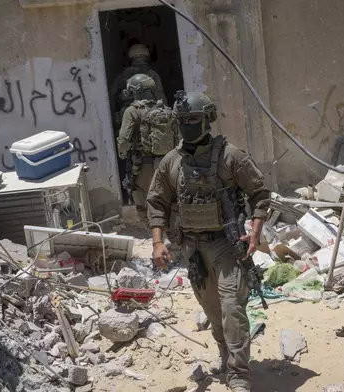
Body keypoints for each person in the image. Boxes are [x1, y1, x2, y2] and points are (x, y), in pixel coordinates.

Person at [146, 91, 270, 392]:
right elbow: (156, 202)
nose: (188, 126)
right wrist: (157, 242)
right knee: (213, 311)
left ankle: (240, 376)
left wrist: (254, 232)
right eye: (183, 121)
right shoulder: (171, 163)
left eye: (194, 120)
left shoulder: (231, 156)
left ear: (207, 120)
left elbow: (260, 194)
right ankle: (226, 356)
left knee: (232, 309)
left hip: (227, 246)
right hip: (193, 250)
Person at [116, 74, 179, 225]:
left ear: (136, 91)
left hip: (144, 165)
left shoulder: (132, 111)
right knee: (168, 199)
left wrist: (124, 155)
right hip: (169, 163)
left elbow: (124, 140)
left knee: (143, 203)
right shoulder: (165, 109)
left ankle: (159, 239)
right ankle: (172, 236)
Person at [109, 43, 167, 127]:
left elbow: (112, 96)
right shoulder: (152, 74)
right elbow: (160, 96)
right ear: (146, 55)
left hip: (127, 115)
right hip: (149, 114)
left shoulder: (122, 75)